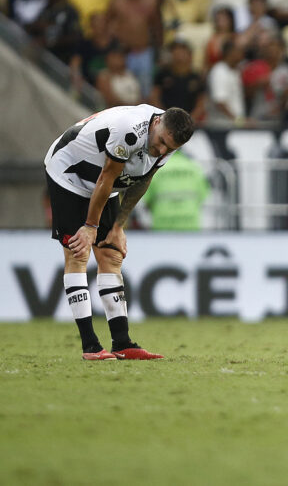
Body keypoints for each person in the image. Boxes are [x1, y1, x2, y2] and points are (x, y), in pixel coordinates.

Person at [43, 105, 195, 360]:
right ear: (156, 122)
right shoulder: (128, 130)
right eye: (160, 143)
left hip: (105, 182)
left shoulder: (167, 142)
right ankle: (90, 345)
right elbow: (106, 177)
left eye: (170, 149)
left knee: (112, 255)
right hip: (69, 174)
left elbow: (141, 181)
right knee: (78, 253)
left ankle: (122, 342)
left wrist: (117, 227)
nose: (162, 151)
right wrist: (90, 228)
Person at [141, 150, 210, 231]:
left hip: (162, 226)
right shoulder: (194, 167)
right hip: (190, 225)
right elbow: (203, 196)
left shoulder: (156, 169)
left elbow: (146, 200)